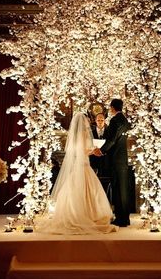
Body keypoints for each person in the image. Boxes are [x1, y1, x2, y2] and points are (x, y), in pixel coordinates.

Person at [36, 112, 118, 235]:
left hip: (79, 165)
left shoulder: (74, 135)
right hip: (84, 165)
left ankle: (76, 214)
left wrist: (91, 151)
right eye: (86, 120)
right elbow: (83, 151)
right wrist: (93, 151)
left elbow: (76, 151)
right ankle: (87, 216)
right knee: (91, 191)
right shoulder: (84, 134)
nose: (88, 122)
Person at [93, 99, 130, 227]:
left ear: (112, 108)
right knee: (123, 189)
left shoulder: (115, 120)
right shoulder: (124, 120)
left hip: (115, 159)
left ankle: (121, 219)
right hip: (123, 159)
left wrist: (101, 150)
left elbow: (112, 140)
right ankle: (125, 217)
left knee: (118, 189)